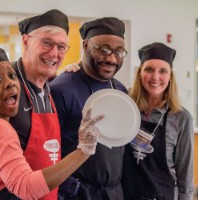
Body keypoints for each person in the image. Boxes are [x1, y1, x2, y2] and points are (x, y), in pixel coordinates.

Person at [0, 9, 92, 199]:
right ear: (26, 41)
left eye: (61, 47)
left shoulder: (49, 88)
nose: (54, 53)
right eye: (47, 43)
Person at [49, 17, 128, 199]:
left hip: (114, 193)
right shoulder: (62, 90)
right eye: (104, 49)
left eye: (119, 51)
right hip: (75, 193)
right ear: (85, 46)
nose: (112, 58)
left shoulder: (119, 89)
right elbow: (47, 154)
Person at [121, 42, 194, 200]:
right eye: (149, 69)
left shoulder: (181, 118)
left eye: (163, 71)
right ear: (140, 73)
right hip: (124, 194)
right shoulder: (124, 102)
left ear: (170, 76)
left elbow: (185, 174)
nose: (155, 77)